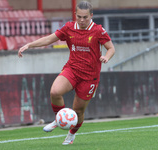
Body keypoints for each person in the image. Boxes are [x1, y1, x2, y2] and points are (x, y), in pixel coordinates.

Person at [18, 1, 115, 145]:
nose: (82, 20)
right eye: (79, 17)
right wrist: (29, 44)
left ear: (91, 16)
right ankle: (59, 119)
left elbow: (111, 48)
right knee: (55, 92)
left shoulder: (98, 30)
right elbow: (50, 38)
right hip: (72, 69)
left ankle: (71, 134)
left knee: (78, 111)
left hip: (90, 76)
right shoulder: (69, 27)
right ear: (75, 15)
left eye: (85, 17)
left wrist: (106, 57)